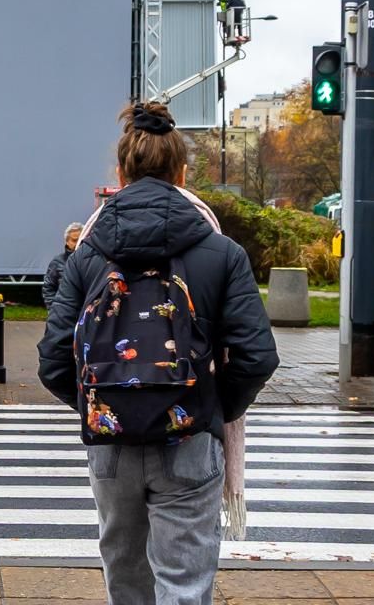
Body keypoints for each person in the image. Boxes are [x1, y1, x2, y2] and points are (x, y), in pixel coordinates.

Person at [39, 101, 279, 605]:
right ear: (182, 173)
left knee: (125, 579)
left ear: (121, 175)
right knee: (184, 584)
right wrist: (211, 406)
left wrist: (101, 403)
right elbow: (257, 355)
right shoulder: (221, 253)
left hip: (111, 444)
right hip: (189, 439)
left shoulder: (88, 254)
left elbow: (54, 358)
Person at [41, 222, 83, 312]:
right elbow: (48, 288)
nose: (78, 244)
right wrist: (54, 310)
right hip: (63, 313)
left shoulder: (92, 262)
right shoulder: (57, 262)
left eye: (81, 240)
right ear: (67, 241)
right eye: (74, 240)